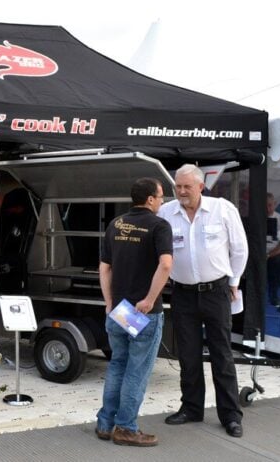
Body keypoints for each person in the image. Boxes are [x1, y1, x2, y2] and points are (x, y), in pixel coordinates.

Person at [159, 164, 248, 438]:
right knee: (188, 354)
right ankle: (191, 408)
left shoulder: (222, 209)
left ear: (201, 186)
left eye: (187, 186)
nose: (181, 191)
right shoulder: (166, 213)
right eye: (178, 186)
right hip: (182, 293)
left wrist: (233, 281)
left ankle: (231, 416)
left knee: (222, 355)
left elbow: (240, 249)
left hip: (216, 292)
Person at [95, 178, 172, 447]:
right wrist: (150, 299)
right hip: (143, 313)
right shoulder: (159, 226)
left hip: (119, 309)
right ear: (150, 199)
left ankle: (105, 424)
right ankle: (126, 428)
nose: (162, 201)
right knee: (137, 371)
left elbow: (104, 268)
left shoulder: (115, 224)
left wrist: (109, 302)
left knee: (118, 364)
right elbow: (166, 265)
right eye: (160, 196)